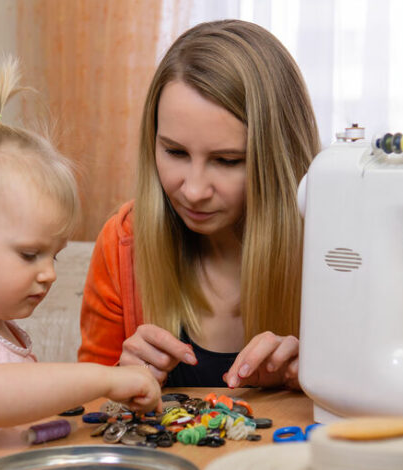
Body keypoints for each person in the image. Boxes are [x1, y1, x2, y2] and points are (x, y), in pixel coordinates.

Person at [0, 50, 161, 470]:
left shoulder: (2, 331)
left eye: (54, 255)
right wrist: (105, 378)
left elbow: (15, 430)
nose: (50, 273)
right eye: (29, 254)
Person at [78, 20, 320, 390]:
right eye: (174, 152)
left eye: (226, 160)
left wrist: (320, 380)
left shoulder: (334, 252)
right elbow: (88, 414)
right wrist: (114, 382)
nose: (192, 191)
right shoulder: (122, 243)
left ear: (277, 158)